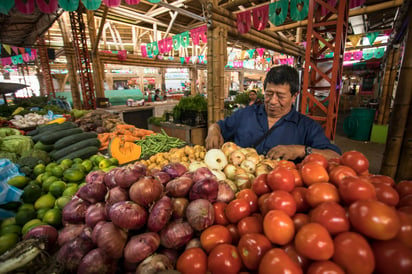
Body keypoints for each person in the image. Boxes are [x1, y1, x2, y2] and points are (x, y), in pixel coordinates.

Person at [205, 65, 341, 161]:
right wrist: (213, 130)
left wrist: (301, 150)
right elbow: (219, 126)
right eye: (269, 94)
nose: (273, 101)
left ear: (294, 96)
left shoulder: (307, 127)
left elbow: (335, 155)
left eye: (280, 96)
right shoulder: (246, 114)